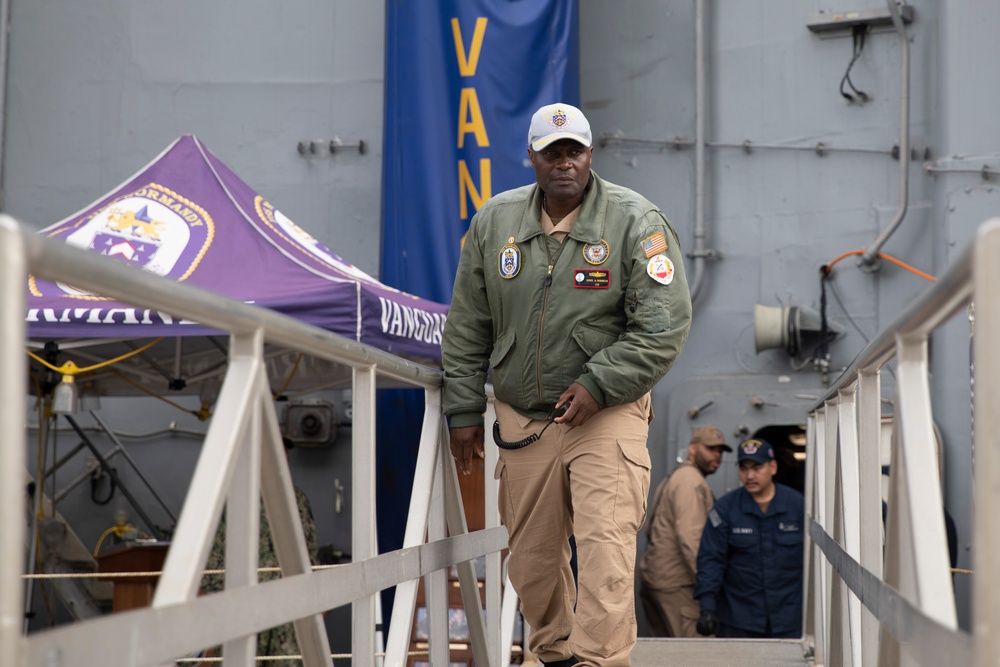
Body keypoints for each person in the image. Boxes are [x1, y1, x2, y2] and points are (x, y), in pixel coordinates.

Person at [442, 102, 692, 667]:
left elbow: (662, 327)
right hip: (524, 418)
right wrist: (462, 409)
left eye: (573, 152)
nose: (564, 163)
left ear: (590, 155)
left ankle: (601, 662)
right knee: (530, 563)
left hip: (605, 414)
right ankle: (554, 655)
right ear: (530, 156)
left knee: (606, 551)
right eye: (551, 153)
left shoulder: (636, 221)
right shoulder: (494, 223)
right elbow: (467, 325)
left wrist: (598, 383)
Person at [201, 437, 318, 667]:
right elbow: (214, 560)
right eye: (275, 452)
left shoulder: (297, 499)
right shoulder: (233, 497)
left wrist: (314, 597)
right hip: (244, 607)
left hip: (289, 609)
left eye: (284, 453)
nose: (283, 458)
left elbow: (309, 549)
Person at [693, 438, 805, 639]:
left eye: (756, 467)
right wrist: (707, 609)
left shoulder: (798, 506)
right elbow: (711, 560)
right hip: (738, 620)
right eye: (743, 469)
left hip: (788, 619)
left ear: (773, 467)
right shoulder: (726, 509)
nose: (749, 475)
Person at [638, 425, 732, 638]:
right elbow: (692, 539)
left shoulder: (678, 476)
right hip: (678, 586)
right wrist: (708, 588)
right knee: (696, 654)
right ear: (693, 449)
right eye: (710, 449)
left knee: (666, 656)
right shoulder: (690, 480)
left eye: (720, 451)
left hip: (658, 580)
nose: (717, 455)